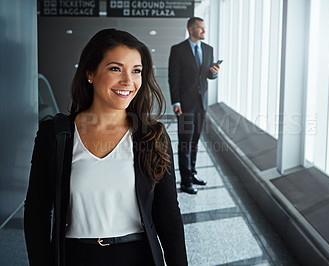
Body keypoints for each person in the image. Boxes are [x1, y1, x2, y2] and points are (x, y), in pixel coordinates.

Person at [24, 28, 188, 266]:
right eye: (115, 69)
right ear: (90, 72)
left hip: (137, 257)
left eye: (136, 71)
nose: (128, 81)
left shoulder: (153, 137)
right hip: (74, 257)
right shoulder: (56, 134)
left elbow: (168, 216)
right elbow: (37, 214)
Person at [168, 17, 220, 194]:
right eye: (201, 28)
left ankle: (192, 173)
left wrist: (214, 74)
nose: (204, 32)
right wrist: (176, 101)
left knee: (195, 142)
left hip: (201, 103)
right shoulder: (178, 50)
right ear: (191, 29)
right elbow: (173, 78)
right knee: (185, 143)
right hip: (185, 105)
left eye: (204, 28)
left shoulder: (208, 49)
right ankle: (185, 181)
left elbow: (206, 76)